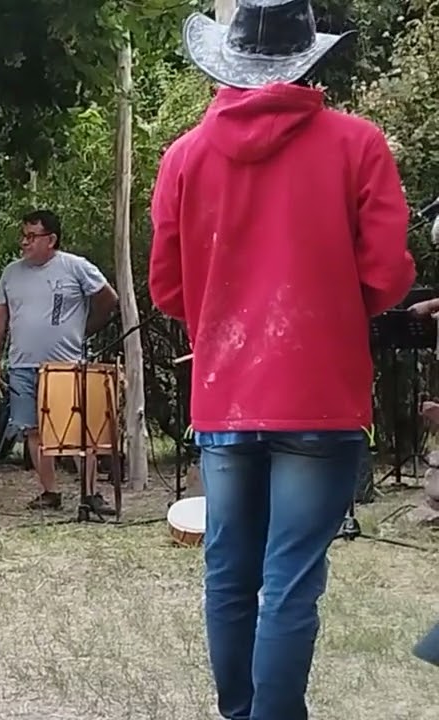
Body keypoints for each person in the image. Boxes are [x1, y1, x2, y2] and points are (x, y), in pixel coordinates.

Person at [148, 3, 416, 718]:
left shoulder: (183, 157)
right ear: (307, 58)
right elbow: (389, 274)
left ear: (227, 60)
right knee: (291, 578)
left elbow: (168, 289)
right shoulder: (358, 145)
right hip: (321, 393)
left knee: (227, 575)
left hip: (225, 391)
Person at [0, 209, 118, 513]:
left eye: (32, 236)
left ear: (51, 239)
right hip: (22, 364)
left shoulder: (75, 267)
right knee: (32, 430)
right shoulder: (11, 273)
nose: (25, 243)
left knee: (79, 430)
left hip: (65, 363)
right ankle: (49, 491)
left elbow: (108, 298)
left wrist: (85, 329)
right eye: (24, 236)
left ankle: (91, 492)